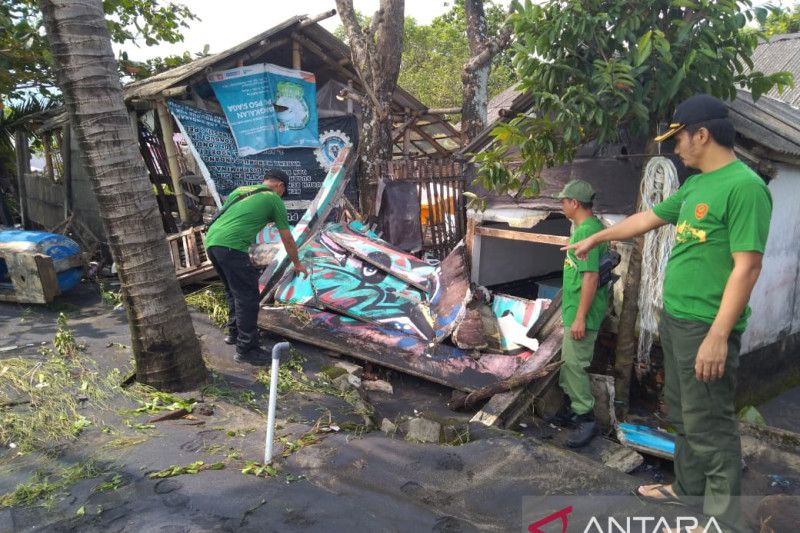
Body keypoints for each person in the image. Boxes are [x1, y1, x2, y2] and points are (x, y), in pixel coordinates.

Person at [564, 94, 772, 532]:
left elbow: (748, 266)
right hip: (676, 318)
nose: (675, 148)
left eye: (679, 139)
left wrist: (718, 334)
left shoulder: (745, 187)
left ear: (702, 134)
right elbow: (646, 220)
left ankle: (723, 521)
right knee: (680, 412)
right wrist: (595, 240)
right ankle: (688, 488)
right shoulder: (696, 185)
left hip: (707, 325)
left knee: (710, 423)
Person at [205, 169, 308, 362]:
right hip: (231, 246)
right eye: (283, 192)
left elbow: (232, 219)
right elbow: (286, 236)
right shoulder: (273, 198)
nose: (282, 196)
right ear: (280, 186)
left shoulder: (241, 190)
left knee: (232, 291)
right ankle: (247, 349)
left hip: (212, 243)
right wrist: (297, 263)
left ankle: (234, 334)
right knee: (248, 296)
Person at [556, 179, 608, 448]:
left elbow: (590, 278)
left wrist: (579, 318)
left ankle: (586, 419)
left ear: (574, 203)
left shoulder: (585, 233)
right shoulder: (591, 228)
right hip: (577, 309)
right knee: (568, 362)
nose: (562, 205)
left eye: (563, 201)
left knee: (575, 365)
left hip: (582, 313)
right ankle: (571, 410)